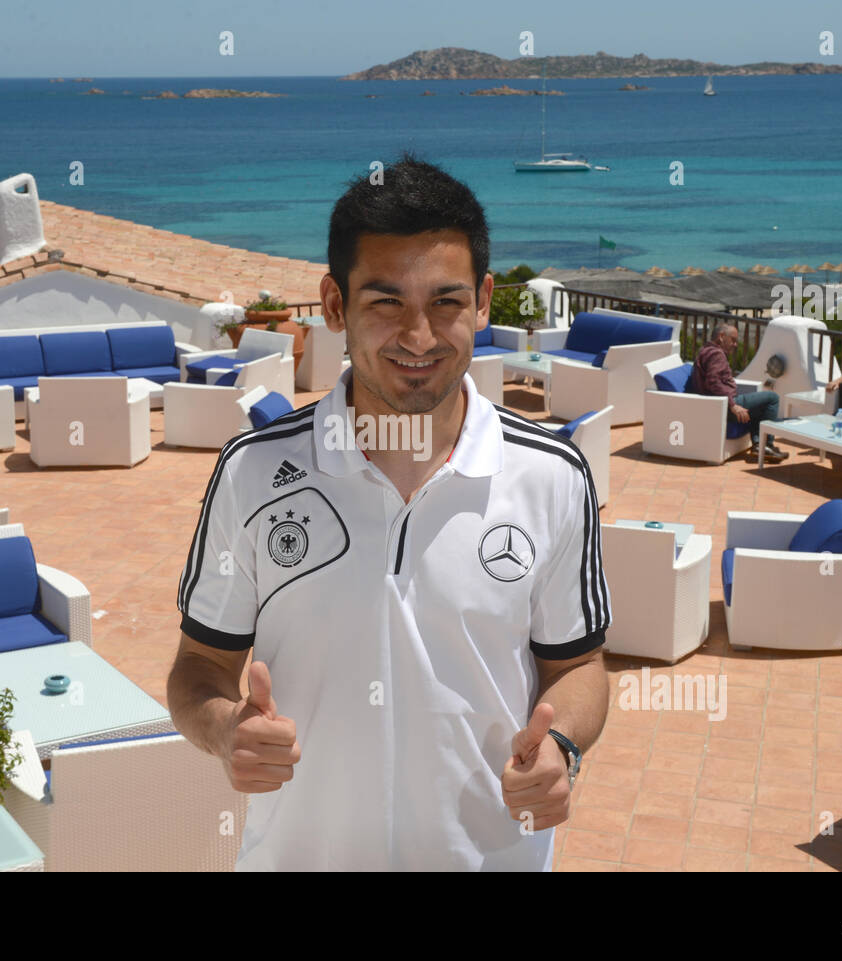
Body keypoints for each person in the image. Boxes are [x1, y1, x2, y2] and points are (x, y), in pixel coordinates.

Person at [166, 153, 611, 871]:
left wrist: (563, 748)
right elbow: (198, 666)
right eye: (385, 302)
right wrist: (225, 730)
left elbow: (581, 664)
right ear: (335, 305)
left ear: (484, 300)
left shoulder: (552, 477)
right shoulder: (251, 474)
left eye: (445, 301)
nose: (419, 336)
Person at [687, 323, 788, 460]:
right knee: (772, 397)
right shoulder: (716, 354)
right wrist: (733, 405)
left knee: (759, 405)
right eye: (733, 340)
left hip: (717, 403)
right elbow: (713, 382)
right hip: (721, 405)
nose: (735, 345)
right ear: (721, 336)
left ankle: (759, 445)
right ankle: (766, 445)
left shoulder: (706, 349)